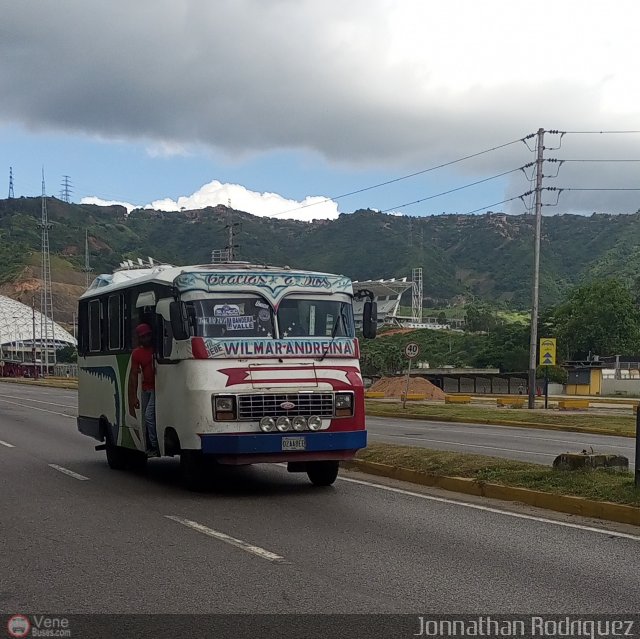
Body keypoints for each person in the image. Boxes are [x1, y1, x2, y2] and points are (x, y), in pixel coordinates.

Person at [128, 323, 159, 457]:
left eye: (148, 335)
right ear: (139, 338)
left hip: (157, 389)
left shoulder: (157, 349)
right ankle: (150, 444)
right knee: (146, 418)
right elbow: (134, 374)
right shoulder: (137, 354)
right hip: (146, 388)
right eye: (143, 336)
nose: (146, 338)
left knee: (149, 416)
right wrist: (134, 396)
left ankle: (154, 445)